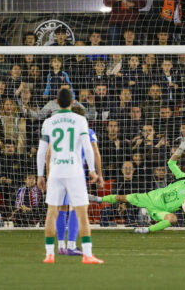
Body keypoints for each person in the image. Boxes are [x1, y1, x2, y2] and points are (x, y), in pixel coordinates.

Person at [36, 88, 102, 264]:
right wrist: (93, 170)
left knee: (52, 211)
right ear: (73, 102)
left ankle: (50, 253)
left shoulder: (49, 122)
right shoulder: (80, 120)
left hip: (56, 170)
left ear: (56, 102)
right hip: (74, 170)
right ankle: (87, 254)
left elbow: (42, 151)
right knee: (81, 211)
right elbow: (88, 147)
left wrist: (40, 175)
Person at [90, 138, 185, 234]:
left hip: (159, 210)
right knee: (122, 198)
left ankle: (146, 229)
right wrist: (179, 150)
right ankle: (98, 199)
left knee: (172, 218)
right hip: (150, 197)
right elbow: (171, 163)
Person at [53, 104, 103, 256]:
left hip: (58, 171)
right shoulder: (86, 131)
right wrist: (97, 173)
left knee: (61, 208)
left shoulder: (58, 131)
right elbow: (94, 151)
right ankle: (71, 245)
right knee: (76, 207)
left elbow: (49, 153)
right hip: (75, 173)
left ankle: (61, 245)